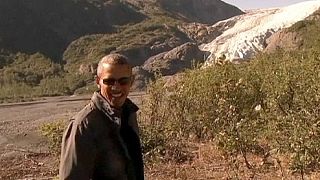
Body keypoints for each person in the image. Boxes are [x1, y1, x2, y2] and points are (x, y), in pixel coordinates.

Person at [59, 53, 144, 180]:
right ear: (98, 81)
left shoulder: (129, 114)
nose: (116, 87)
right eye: (109, 81)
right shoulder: (84, 125)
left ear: (131, 82)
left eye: (123, 81)